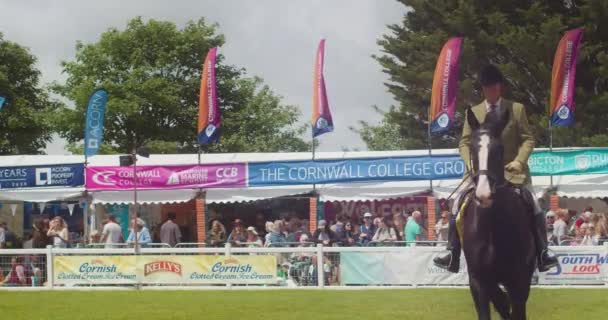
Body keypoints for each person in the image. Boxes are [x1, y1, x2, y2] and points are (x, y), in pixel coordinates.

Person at [434, 65, 558, 272]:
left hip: (513, 173)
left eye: (493, 87)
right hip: (480, 174)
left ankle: (543, 252)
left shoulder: (516, 109)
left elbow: (527, 139)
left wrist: (519, 161)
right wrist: (473, 165)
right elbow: (464, 142)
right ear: (482, 89)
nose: (490, 92)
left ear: (500, 87)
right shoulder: (473, 112)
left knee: (534, 204)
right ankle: (451, 253)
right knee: (457, 204)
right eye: (486, 88)